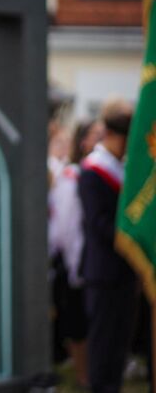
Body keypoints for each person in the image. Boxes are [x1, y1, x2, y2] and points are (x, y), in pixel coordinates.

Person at [78, 96, 136, 393]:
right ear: (112, 135)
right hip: (103, 271)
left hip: (126, 269)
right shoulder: (93, 170)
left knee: (119, 344)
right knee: (103, 345)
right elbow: (98, 222)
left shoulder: (122, 168)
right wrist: (129, 233)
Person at [48, 118, 102, 387]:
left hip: (88, 262)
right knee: (78, 323)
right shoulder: (72, 176)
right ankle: (83, 375)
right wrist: (74, 265)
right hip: (76, 263)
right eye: (95, 135)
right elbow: (65, 229)